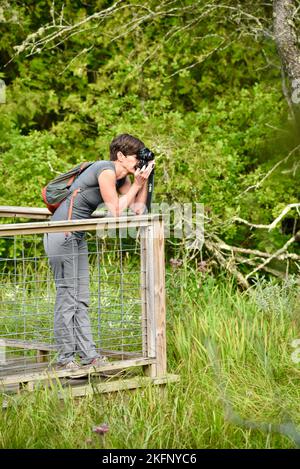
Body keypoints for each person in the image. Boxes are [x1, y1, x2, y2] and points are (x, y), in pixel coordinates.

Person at [43, 134, 155, 374]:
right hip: (62, 236)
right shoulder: (105, 170)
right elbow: (115, 211)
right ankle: (65, 359)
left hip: (76, 236)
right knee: (68, 298)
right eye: (137, 157)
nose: (139, 162)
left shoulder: (121, 178)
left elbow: (137, 210)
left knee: (81, 299)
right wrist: (136, 185)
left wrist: (143, 181)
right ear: (121, 156)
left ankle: (89, 357)